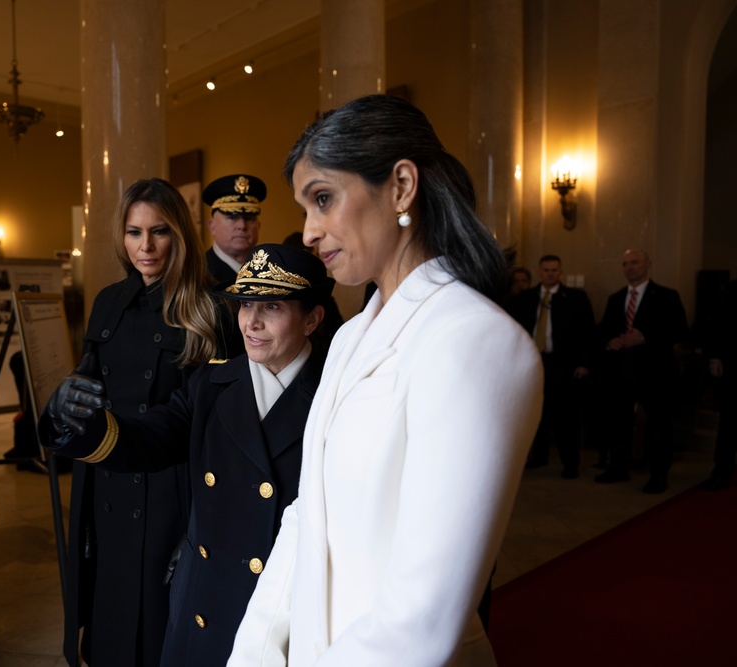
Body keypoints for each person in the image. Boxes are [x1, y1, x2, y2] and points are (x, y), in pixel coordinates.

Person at [226, 94, 543, 666]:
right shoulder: (347, 338)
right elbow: (305, 517)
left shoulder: (473, 339)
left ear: (400, 186)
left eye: (323, 199)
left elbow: (422, 619)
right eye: (304, 208)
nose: (309, 232)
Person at [42, 243, 331, 667]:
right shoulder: (212, 384)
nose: (251, 322)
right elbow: (145, 438)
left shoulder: (336, 398)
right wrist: (75, 423)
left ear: (312, 318)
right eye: (244, 304)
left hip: (283, 613)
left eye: (271, 306)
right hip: (205, 605)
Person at [60, 178, 228, 666]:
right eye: (134, 232)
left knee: (160, 621)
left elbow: (207, 423)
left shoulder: (209, 307)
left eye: (159, 232)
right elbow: (88, 382)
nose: (146, 247)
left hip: (169, 489)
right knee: (111, 613)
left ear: (180, 234)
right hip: (108, 481)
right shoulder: (109, 301)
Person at [593, 248, 688, 494]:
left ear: (648, 264)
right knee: (621, 422)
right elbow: (604, 329)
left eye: (634, 262)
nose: (630, 268)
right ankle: (618, 468)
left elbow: (679, 330)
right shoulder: (616, 298)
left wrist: (645, 337)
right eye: (625, 264)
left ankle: (658, 475)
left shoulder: (667, 296)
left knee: (658, 424)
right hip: (622, 370)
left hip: (655, 371)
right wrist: (610, 341)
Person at [510, 255, 594, 478]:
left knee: (566, 416)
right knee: (537, 412)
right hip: (533, 363)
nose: (550, 274)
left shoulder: (575, 298)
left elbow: (586, 333)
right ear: (539, 272)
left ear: (561, 272)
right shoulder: (526, 297)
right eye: (546, 270)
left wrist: (584, 363)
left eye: (554, 270)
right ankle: (538, 457)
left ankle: (570, 463)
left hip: (563, 364)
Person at [203, 174, 266, 285]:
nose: (242, 226)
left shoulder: (271, 270)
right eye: (232, 218)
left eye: (249, 218)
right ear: (212, 227)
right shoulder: (199, 273)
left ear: (259, 226)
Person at [704, 279, 735, 490]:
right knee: (729, 421)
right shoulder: (733, 288)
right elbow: (721, 322)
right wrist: (715, 356)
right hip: (733, 365)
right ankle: (722, 470)